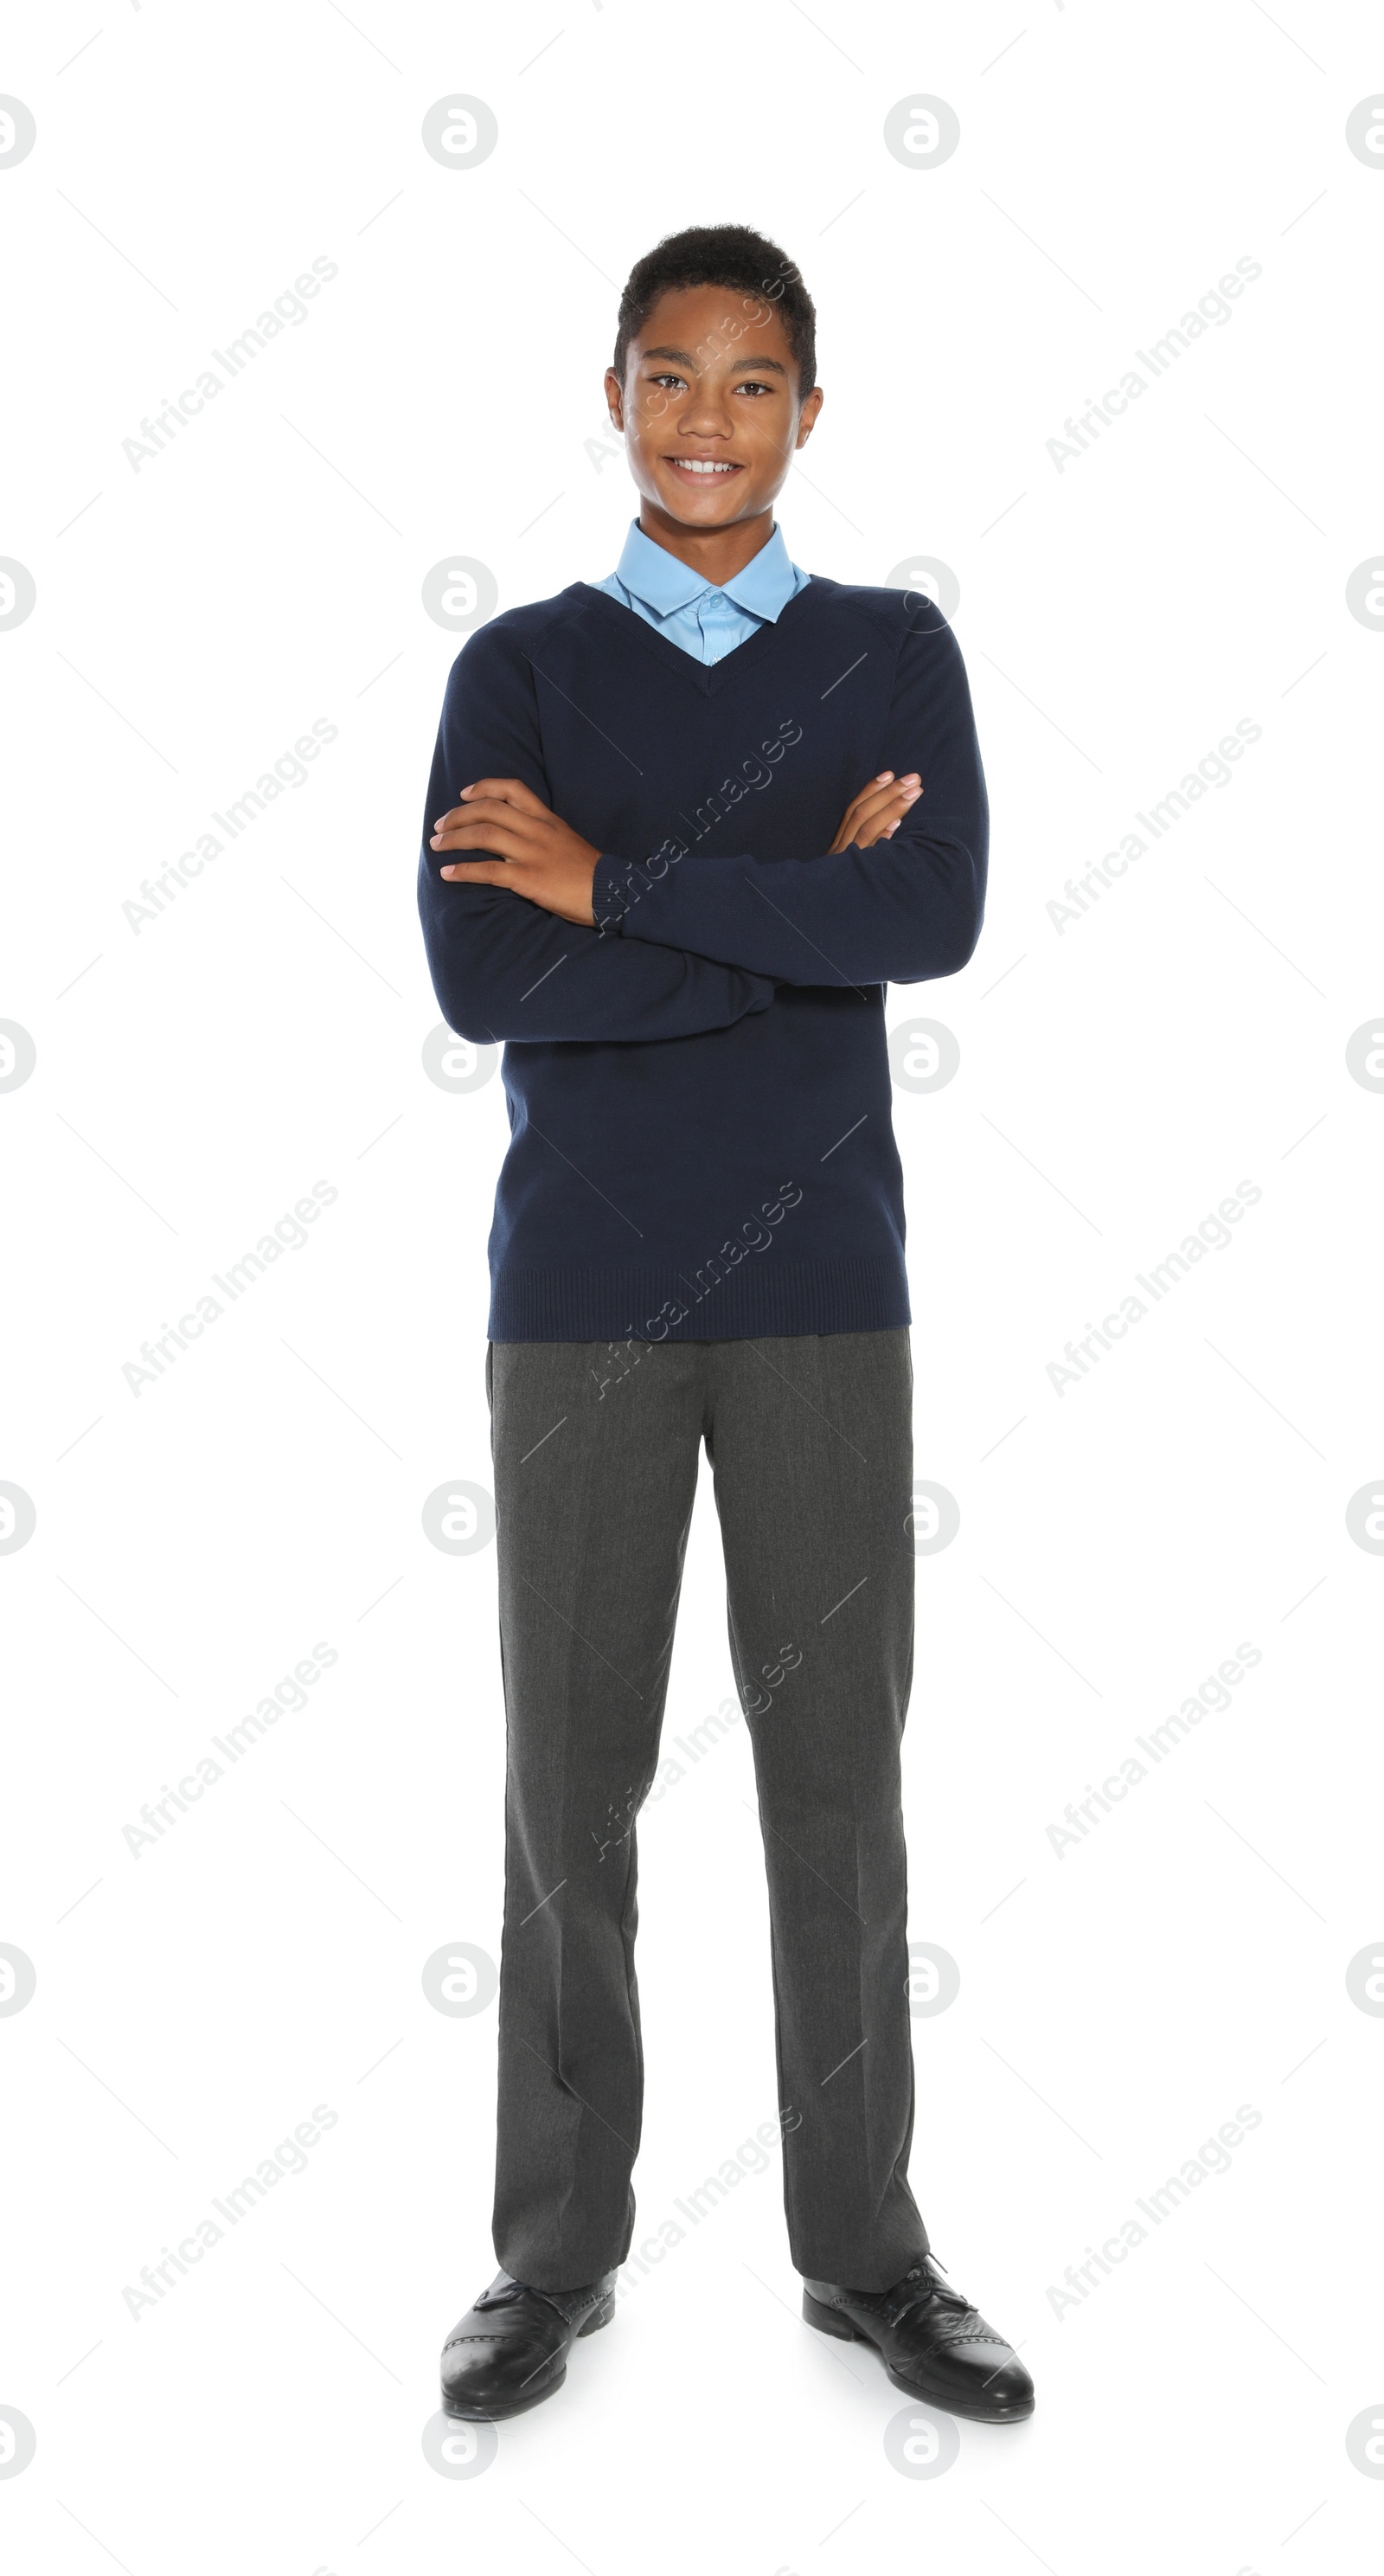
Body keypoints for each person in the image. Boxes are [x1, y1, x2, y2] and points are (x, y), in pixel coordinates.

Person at [418, 223, 1033, 2427]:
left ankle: (864, 2251)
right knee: (564, 1788)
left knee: (833, 1780)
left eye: (750, 382)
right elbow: (489, 977)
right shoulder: (514, 671)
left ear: (805, 411)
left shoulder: (885, 653)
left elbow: (930, 912)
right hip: (577, 1298)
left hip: (815, 1293)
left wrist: (620, 880)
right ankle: (549, 2253)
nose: (705, 417)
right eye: (666, 375)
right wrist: (795, 918)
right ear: (609, 395)